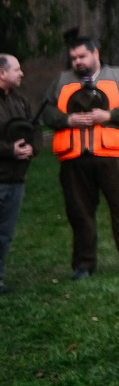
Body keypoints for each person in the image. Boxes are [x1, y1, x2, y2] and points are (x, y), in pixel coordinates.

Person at [42, 37, 119, 279]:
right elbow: (47, 112)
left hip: (112, 155)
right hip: (74, 158)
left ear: (96, 53)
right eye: (74, 58)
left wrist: (109, 115)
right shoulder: (61, 81)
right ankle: (83, 265)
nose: (77, 62)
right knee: (79, 212)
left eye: (82, 56)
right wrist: (68, 120)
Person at [0, 54, 38, 294]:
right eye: (17, 69)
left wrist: (33, 148)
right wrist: (9, 150)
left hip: (16, 180)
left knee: (5, 234)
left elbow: (35, 129)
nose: (21, 73)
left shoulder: (21, 101)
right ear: (2, 73)